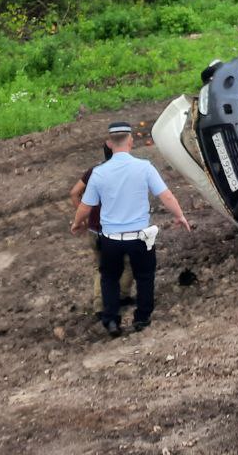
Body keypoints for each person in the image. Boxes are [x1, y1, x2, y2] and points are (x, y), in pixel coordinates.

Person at [70, 120, 191, 336]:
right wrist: (179, 215)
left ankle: (111, 320)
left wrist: (77, 223)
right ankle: (142, 319)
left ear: (109, 143)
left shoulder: (99, 173)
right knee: (145, 277)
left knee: (109, 278)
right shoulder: (144, 167)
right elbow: (166, 195)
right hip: (140, 237)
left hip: (110, 239)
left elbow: (86, 207)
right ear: (131, 141)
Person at [68, 144, 134, 315]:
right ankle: (121, 296)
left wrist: (82, 217)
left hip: (93, 231)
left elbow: (74, 192)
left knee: (101, 268)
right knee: (128, 263)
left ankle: (99, 305)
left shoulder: (94, 171)